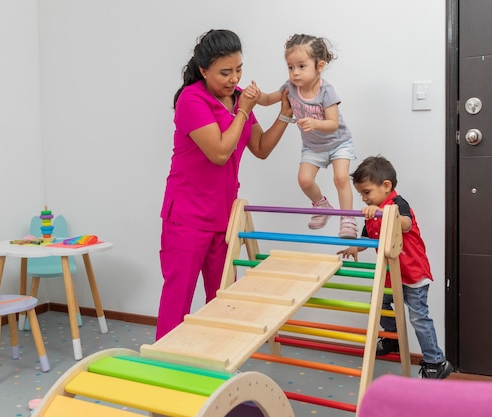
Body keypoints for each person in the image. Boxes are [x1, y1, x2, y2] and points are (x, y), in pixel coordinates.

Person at [156, 29, 294, 340]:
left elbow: (259, 148)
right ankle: (163, 369)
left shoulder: (236, 97)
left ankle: (212, 368)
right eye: (225, 72)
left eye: (239, 69)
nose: (234, 78)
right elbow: (220, 152)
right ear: (203, 70)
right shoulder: (192, 100)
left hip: (223, 218)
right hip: (187, 218)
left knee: (222, 303)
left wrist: (284, 116)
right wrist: (244, 110)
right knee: (178, 302)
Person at [337, 155, 453, 379]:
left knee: (419, 317)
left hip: (413, 275)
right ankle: (392, 338)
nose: (363, 199)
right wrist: (354, 248)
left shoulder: (397, 204)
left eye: (367, 192)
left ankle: (436, 361)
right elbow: (367, 240)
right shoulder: (371, 215)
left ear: (386, 186)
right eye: (361, 194)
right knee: (379, 303)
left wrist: (383, 212)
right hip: (390, 276)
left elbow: (406, 224)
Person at [259, 34, 357, 239]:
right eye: (290, 67)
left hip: (338, 143)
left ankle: (347, 219)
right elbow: (268, 99)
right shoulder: (290, 88)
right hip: (313, 147)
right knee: (304, 180)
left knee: (340, 178)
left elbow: (332, 123)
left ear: (319, 66)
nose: (295, 73)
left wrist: (314, 123)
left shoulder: (326, 91)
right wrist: (256, 95)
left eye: (301, 66)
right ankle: (322, 206)